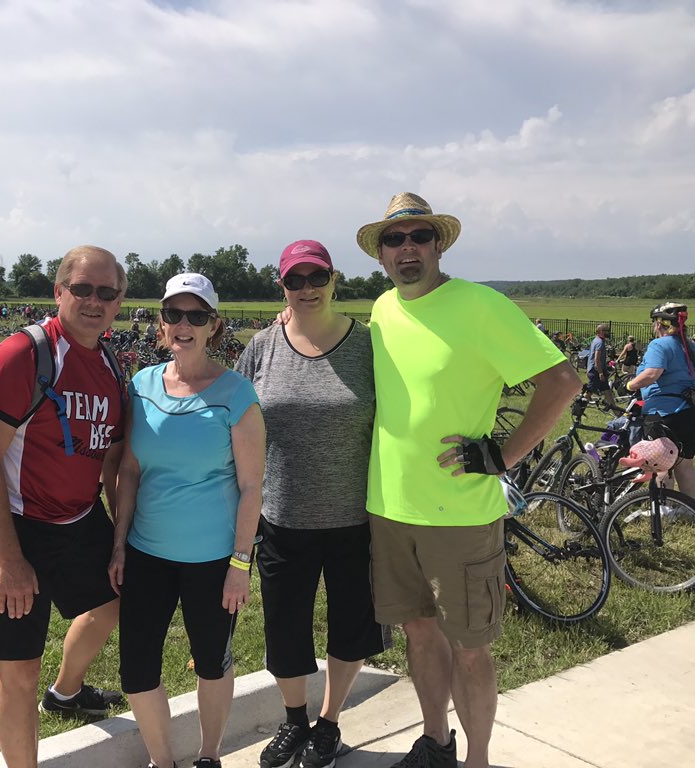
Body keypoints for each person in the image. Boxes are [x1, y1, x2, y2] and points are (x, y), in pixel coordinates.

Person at [354, 193, 579, 768]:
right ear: (380, 253)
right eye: (394, 239)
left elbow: (561, 381)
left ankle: (477, 758)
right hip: (389, 508)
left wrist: (503, 457)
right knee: (419, 636)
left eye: (419, 236)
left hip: (460, 515)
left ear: (438, 244)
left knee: (471, 650)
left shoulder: (480, 305)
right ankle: (436, 742)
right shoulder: (381, 309)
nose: (408, 249)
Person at [0, 245, 128, 768]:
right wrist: (11, 563)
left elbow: (107, 460)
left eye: (106, 292)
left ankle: (66, 692)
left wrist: (118, 537)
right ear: (58, 292)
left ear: (120, 300)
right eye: (82, 289)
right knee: (19, 667)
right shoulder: (25, 354)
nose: (93, 301)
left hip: (79, 518)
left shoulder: (108, 361)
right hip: (18, 524)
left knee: (111, 604)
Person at [236, 241, 390, 768]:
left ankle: (329, 723)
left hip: (355, 517)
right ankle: (294, 719)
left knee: (351, 627)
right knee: (285, 629)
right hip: (281, 516)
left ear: (333, 278)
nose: (307, 289)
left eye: (316, 277)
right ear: (281, 286)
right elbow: (237, 420)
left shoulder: (369, 345)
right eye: (294, 280)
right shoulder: (262, 346)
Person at [109, 273, 265, 768]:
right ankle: (163, 760)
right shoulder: (142, 385)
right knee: (137, 667)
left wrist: (241, 563)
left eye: (196, 316)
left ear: (213, 326)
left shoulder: (237, 395)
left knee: (212, 663)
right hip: (146, 553)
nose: (184, 324)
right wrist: (118, 544)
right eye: (173, 314)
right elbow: (129, 470)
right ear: (160, 324)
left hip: (212, 560)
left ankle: (209, 755)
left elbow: (251, 488)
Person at [625, 303, 695, 500]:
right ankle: (689, 509)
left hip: (667, 412)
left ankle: (664, 508)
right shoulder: (692, 347)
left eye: (655, 323)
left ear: (659, 324)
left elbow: (652, 373)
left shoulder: (660, 345)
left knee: (661, 463)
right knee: (684, 463)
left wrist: (630, 386)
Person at [586, 324, 616, 407]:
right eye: (607, 331)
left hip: (595, 370)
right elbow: (596, 359)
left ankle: (617, 413)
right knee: (588, 394)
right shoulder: (599, 342)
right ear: (601, 332)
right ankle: (578, 411)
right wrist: (600, 373)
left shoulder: (596, 340)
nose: (608, 332)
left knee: (607, 392)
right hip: (596, 372)